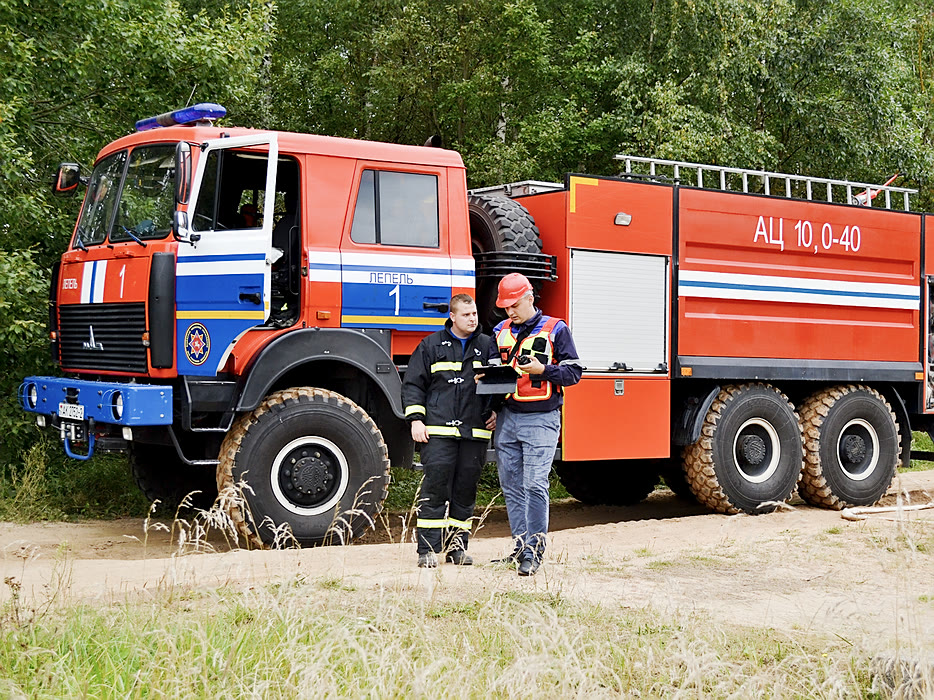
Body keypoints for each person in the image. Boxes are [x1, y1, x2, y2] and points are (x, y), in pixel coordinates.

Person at [488, 273, 582, 576]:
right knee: (512, 487)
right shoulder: (499, 331)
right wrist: (490, 406)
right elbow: (492, 376)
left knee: (534, 485)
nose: (509, 312)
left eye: (514, 305)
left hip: (542, 418)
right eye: (505, 307)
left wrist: (544, 370)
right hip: (507, 418)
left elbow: (574, 373)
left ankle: (534, 550)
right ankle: (520, 546)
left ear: (530, 298)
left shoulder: (557, 329)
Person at [402, 294, 493, 568]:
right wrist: (416, 420)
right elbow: (413, 385)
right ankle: (427, 550)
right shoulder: (430, 345)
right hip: (438, 432)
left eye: (474, 313)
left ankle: (457, 549)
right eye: (466, 315)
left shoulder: (487, 346)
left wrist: (497, 411)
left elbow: (501, 382)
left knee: (465, 492)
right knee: (434, 489)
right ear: (452, 316)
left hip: (474, 433)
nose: (472, 319)